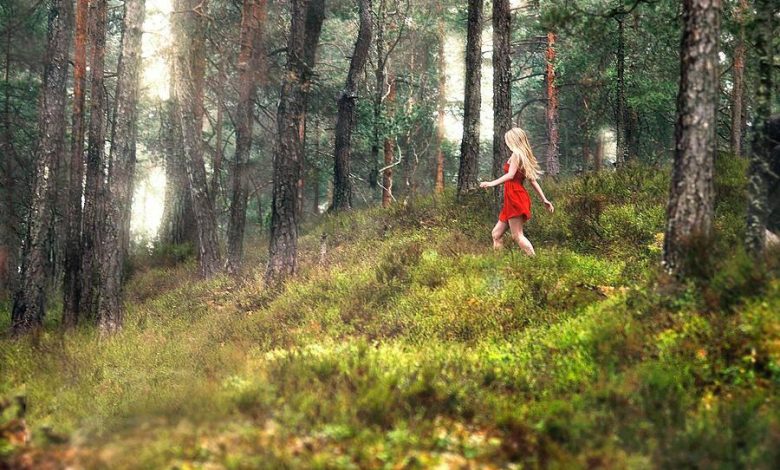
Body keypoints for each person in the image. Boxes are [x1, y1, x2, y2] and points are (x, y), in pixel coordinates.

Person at [479, 127, 554, 255]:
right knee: (496, 234)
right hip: (512, 198)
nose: (507, 143)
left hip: (515, 197)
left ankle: (534, 260)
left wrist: (491, 183)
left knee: (517, 235)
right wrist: (544, 200)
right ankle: (499, 264)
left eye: (508, 140)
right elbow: (533, 181)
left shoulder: (517, 155)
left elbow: (510, 175)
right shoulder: (522, 156)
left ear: (514, 140)